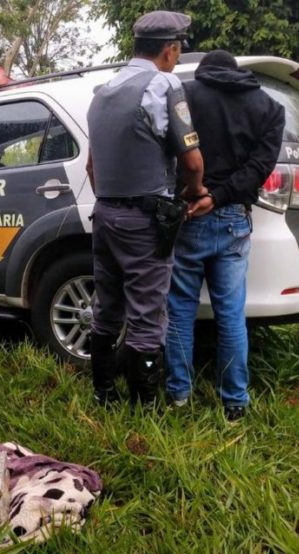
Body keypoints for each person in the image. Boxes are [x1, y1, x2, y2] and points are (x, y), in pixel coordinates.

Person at [86, 10, 206, 406]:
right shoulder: (164, 84)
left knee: (107, 307)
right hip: (144, 218)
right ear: (170, 49)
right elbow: (191, 161)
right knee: (147, 317)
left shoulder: (103, 92)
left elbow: (91, 166)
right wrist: (194, 190)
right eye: (178, 48)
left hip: (104, 215)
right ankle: (144, 410)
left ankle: (104, 394)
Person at [165, 51, 285, 420]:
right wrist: (219, 198)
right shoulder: (269, 107)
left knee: (180, 310)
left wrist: (199, 195)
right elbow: (259, 168)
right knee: (231, 313)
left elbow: (168, 151)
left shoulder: (184, 95)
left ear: (203, 72)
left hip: (189, 213)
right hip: (234, 218)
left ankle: (179, 397)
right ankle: (234, 402)